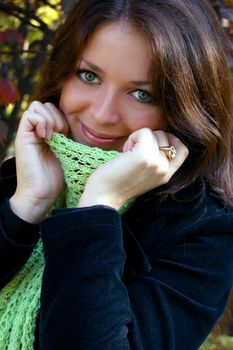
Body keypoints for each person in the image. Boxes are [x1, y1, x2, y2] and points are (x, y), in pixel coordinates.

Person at [0, 0, 233, 349]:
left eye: (142, 94)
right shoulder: (26, 174)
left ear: (183, 107)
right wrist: (28, 203)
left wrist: (98, 206)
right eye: (89, 75)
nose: (102, 114)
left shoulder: (204, 233)